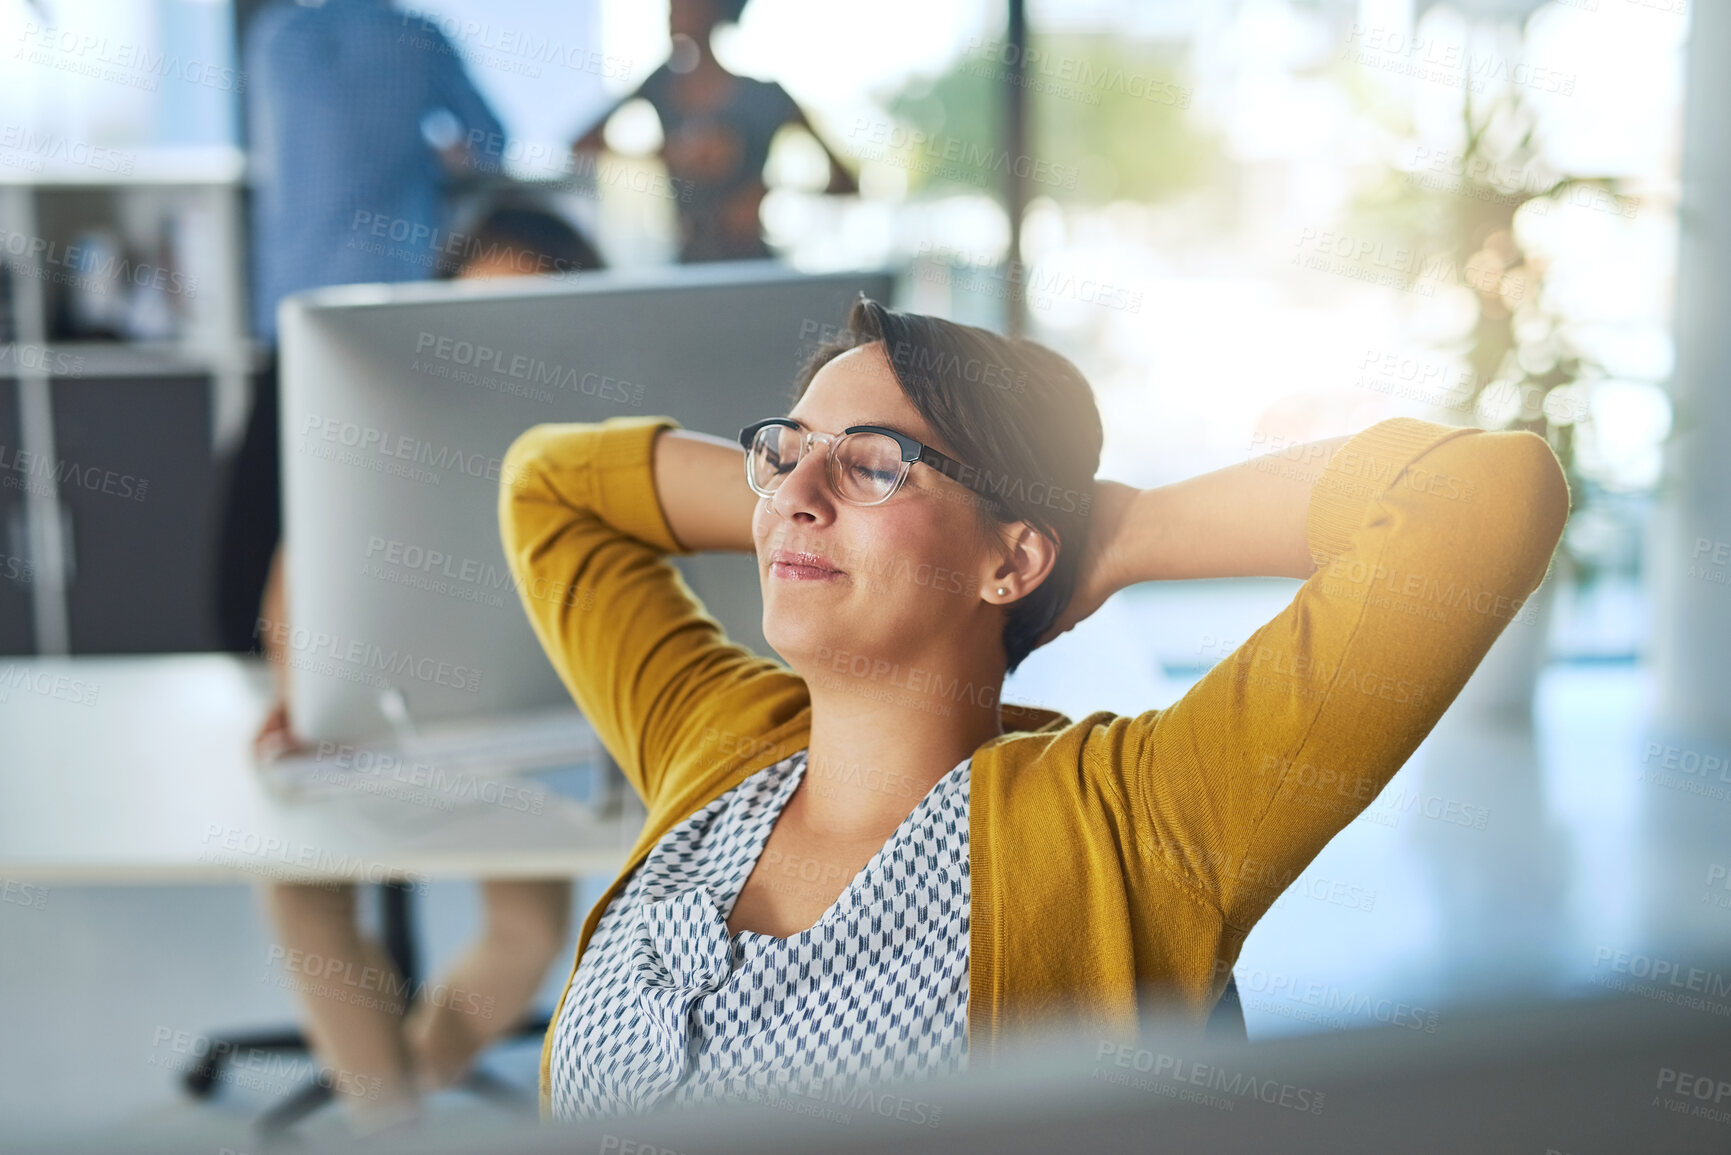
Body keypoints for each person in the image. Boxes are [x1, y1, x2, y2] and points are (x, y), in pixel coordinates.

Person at [498, 297, 1569, 1119]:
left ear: (1012, 561)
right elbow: (550, 485)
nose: (791, 495)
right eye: (782, 456)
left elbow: (1477, 495)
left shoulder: (1138, 828)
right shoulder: (715, 747)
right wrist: (817, 516)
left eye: (876, 464)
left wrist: (1121, 534)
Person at [253, 207, 605, 1136]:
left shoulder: (603, 447)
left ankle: (404, 1083)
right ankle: (392, 1123)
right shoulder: (379, 408)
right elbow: (296, 567)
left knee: (527, 931)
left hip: (522, 721)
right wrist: (298, 693)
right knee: (297, 884)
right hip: (365, 713)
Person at [215, 0, 507, 657]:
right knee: (383, 490)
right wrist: (421, 159)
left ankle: (249, 645)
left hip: (291, 299)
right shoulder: (420, 37)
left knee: (273, 485)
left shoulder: (277, 38)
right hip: (388, 305)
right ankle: (390, 647)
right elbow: (490, 144)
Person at [568, 0, 857, 264]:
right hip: (688, 264)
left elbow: (846, 183)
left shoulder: (767, 97)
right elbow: (582, 144)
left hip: (751, 263)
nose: (671, 12)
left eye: (683, 5)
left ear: (713, 10)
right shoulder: (661, 85)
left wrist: (769, 188)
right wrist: (665, 153)